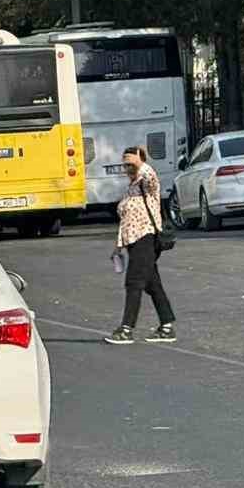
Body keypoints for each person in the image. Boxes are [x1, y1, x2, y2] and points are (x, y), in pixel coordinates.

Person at [105, 147, 175, 345]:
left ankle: (126, 328)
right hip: (133, 242)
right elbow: (126, 221)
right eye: (125, 164)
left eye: (131, 164)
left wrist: (139, 163)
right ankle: (167, 326)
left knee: (134, 282)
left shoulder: (148, 183)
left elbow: (151, 176)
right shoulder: (131, 188)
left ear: (142, 162)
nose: (128, 168)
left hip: (146, 238)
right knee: (153, 285)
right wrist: (118, 247)